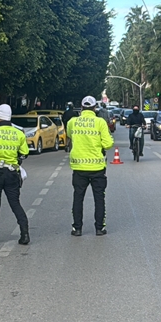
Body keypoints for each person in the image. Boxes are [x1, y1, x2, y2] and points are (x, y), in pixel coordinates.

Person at [0, 104, 30, 246]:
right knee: (15, 203)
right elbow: (24, 153)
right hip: (12, 173)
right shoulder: (19, 133)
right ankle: (25, 233)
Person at [68, 95, 114, 236]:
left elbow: (70, 135)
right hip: (97, 168)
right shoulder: (100, 122)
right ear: (95, 108)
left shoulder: (72, 122)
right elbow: (108, 143)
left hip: (78, 167)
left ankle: (77, 228)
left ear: (81, 108)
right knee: (99, 198)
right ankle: (99, 228)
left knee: (78, 198)